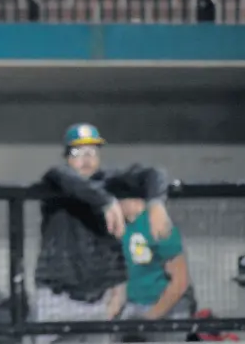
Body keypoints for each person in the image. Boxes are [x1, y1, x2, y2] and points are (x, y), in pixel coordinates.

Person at [33, 123, 172, 344]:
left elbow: (155, 173)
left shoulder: (109, 181)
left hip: (100, 299)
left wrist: (156, 203)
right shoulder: (56, 182)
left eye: (93, 152)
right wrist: (107, 202)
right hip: (58, 298)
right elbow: (64, 178)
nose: (86, 159)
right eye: (79, 152)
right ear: (67, 157)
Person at [114, 197, 195, 342]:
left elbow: (180, 282)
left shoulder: (157, 224)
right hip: (133, 308)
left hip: (165, 310)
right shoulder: (119, 228)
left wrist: (151, 317)